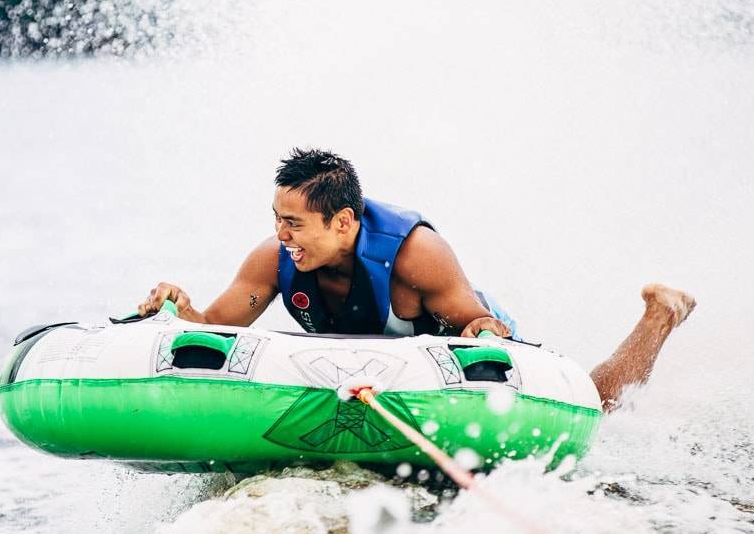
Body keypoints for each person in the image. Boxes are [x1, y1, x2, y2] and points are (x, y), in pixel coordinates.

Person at [138, 148, 695, 412]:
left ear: (343, 222)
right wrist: (176, 304)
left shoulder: (415, 255)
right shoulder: (274, 258)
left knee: (594, 405)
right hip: (368, 370)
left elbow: (476, 321)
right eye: (278, 219)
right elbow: (211, 327)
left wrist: (486, 334)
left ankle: (660, 314)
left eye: (295, 224)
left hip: (457, 348)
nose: (282, 235)